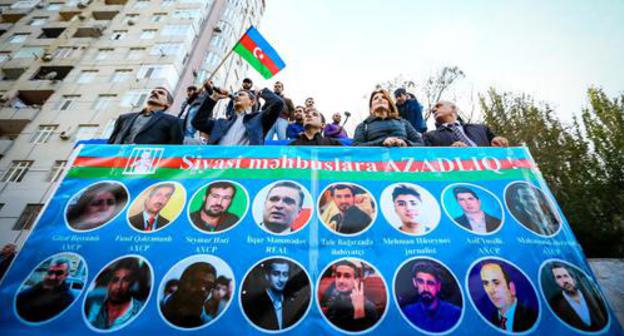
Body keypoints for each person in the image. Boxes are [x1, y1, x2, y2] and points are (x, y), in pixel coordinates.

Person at [192, 83, 284, 145]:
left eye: (241, 94)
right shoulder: (221, 123)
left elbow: (278, 103)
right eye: (236, 94)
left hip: (242, 171)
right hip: (217, 170)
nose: (236, 96)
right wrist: (214, 98)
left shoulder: (259, 119)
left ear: (252, 102)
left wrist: (261, 92)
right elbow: (198, 122)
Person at [242, 259, 309, 331]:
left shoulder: (291, 302)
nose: (281, 279)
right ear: (267, 276)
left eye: (285, 274)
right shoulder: (253, 306)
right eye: (276, 274)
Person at [108, 86, 183, 145]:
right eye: (153, 92)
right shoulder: (124, 118)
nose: (154, 93)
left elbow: (173, 149)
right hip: (117, 160)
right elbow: (111, 143)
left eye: (161, 93)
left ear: (168, 104)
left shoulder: (174, 122)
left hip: (145, 162)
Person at [402, 261, 461, 332]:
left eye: (430, 283)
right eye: (420, 282)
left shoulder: (455, 314)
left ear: (438, 286)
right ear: (415, 282)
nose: (425, 288)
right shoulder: (408, 313)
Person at [85, 258, 144, 330]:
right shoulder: (92, 301)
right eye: (115, 280)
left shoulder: (140, 310)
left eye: (126, 280)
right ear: (109, 283)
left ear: (133, 284)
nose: (118, 286)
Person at [320, 260, 379, 332]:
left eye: (347, 276)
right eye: (338, 275)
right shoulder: (334, 300)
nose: (340, 280)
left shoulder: (369, 307)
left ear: (356, 280)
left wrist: (359, 310)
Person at [548, 263, 608, 331]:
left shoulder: (594, 298)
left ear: (573, 278)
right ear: (555, 281)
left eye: (566, 276)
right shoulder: (554, 305)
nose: (564, 281)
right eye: (558, 277)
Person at [353, 89, 424, 147]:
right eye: (375, 98)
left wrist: (406, 143)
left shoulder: (404, 123)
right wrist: (381, 142)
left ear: (389, 105)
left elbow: (420, 144)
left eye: (384, 98)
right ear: (371, 108)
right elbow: (356, 147)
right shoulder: (363, 126)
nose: (380, 99)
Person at [480, 262, 537, 332]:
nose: (491, 291)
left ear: (511, 288)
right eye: (486, 283)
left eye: (496, 283)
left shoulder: (531, 318)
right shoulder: (489, 319)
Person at [423, 100, 509, 147]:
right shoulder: (429, 136)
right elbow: (431, 161)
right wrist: (450, 153)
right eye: (433, 110)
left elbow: (499, 148)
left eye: (439, 106)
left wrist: (500, 142)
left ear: (453, 108)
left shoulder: (482, 129)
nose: (433, 110)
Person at [16, 257, 76, 322]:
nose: (52, 277)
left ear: (66, 275)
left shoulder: (67, 298)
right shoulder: (38, 287)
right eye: (51, 272)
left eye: (59, 273)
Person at [161, 262, 216, 328]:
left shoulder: (209, 325)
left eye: (209, 286)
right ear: (181, 282)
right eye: (197, 282)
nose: (202, 289)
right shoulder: (157, 309)